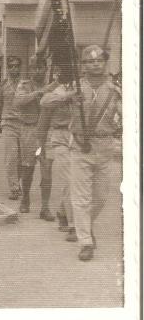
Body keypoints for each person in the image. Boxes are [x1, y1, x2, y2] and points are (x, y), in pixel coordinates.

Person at [43, 45, 121, 261]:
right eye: (89, 61)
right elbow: (45, 100)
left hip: (104, 147)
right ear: (83, 65)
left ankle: (82, 225)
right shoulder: (74, 86)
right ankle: (85, 241)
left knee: (101, 197)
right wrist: (68, 97)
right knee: (81, 199)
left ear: (105, 63)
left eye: (99, 61)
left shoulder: (114, 89)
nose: (95, 64)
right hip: (79, 147)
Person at [13, 57, 58, 217]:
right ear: (30, 70)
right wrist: (40, 92)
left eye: (40, 68)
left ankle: (45, 207)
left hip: (47, 132)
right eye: (34, 68)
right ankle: (25, 198)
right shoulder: (24, 85)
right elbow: (18, 102)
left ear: (46, 68)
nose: (37, 71)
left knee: (47, 170)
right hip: (29, 130)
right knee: (28, 168)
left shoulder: (53, 85)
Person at [40, 66, 77, 235]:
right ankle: (73, 225)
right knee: (70, 180)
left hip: (79, 137)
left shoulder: (82, 87)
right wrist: (69, 96)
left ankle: (63, 211)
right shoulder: (57, 90)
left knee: (78, 180)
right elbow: (44, 102)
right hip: (59, 136)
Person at [0, 56, 24, 200]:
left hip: (23, 124)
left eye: (17, 66)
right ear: (8, 68)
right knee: (11, 157)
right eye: (11, 66)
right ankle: (13, 187)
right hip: (8, 123)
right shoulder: (3, 85)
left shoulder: (25, 84)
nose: (14, 68)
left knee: (22, 158)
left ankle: (17, 182)